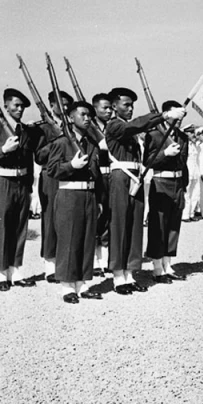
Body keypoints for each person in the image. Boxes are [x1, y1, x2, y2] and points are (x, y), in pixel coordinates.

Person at [105, 87, 183, 294]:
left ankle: (129, 274)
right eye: (126, 104)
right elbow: (136, 125)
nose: (130, 109)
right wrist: (164, 116)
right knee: (120, 226)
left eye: (132, 105)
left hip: (136, 177)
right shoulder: (114, 125)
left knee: (134, 228)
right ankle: (117, 277)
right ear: (114, 106)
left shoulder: (131, 130)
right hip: (121, 177)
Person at [0, 88, 41, 291]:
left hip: (22, 183)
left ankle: (14, 270)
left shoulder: (25, 130)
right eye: (16, 105)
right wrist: (3, 150)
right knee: (1, 226)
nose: (20, 109)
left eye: (22, 106)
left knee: (19, 227)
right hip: (3, 181)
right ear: (5, 106)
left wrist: (31, 186)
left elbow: (30, 158)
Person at [47, 101, 103, 304]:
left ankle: (83, 283)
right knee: (69, 240)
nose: (87, 118)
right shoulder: (61, 143)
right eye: (82, 114)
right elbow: (52, 170)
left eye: (89, 115)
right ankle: (67, 286)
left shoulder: (92, 144)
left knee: (87, 239)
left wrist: (99, 199)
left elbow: (97, 175)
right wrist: (71, 165)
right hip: (69, 195)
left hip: (88, 196)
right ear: (70, 118)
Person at [144, 99, 188, 282]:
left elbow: (184, 164)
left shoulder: (183, 136)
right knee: (158, 226)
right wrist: (164, 154)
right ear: (168, 113)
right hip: (161, 182)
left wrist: (183, 186)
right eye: (177, 114)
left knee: (173, 226)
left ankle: (168, 265)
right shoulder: (154, 135)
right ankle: (157, 268)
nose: (180, 118)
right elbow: (147, 162)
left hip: (178, 183)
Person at [36, 90, 73, 283]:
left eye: (67, 105)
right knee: (50, 219)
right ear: (52, 105)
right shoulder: (43, 128)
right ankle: (50, 264)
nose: (64, 108)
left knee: (68, 220)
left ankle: (65, 263)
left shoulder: (72, 125)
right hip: (50, 176)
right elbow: (39, 156)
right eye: (61, 104)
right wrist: (56, 142)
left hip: (69, 174)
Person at [91, 92, 113, 273]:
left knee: (109, 217)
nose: (108, 111)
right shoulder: (89, 129)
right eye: (104, 108)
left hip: (111, 175)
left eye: (110, 108)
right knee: (97, 217)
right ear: (95, 109)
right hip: (97, 176)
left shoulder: (113, 127)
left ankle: (105, 259)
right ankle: (94, 261)